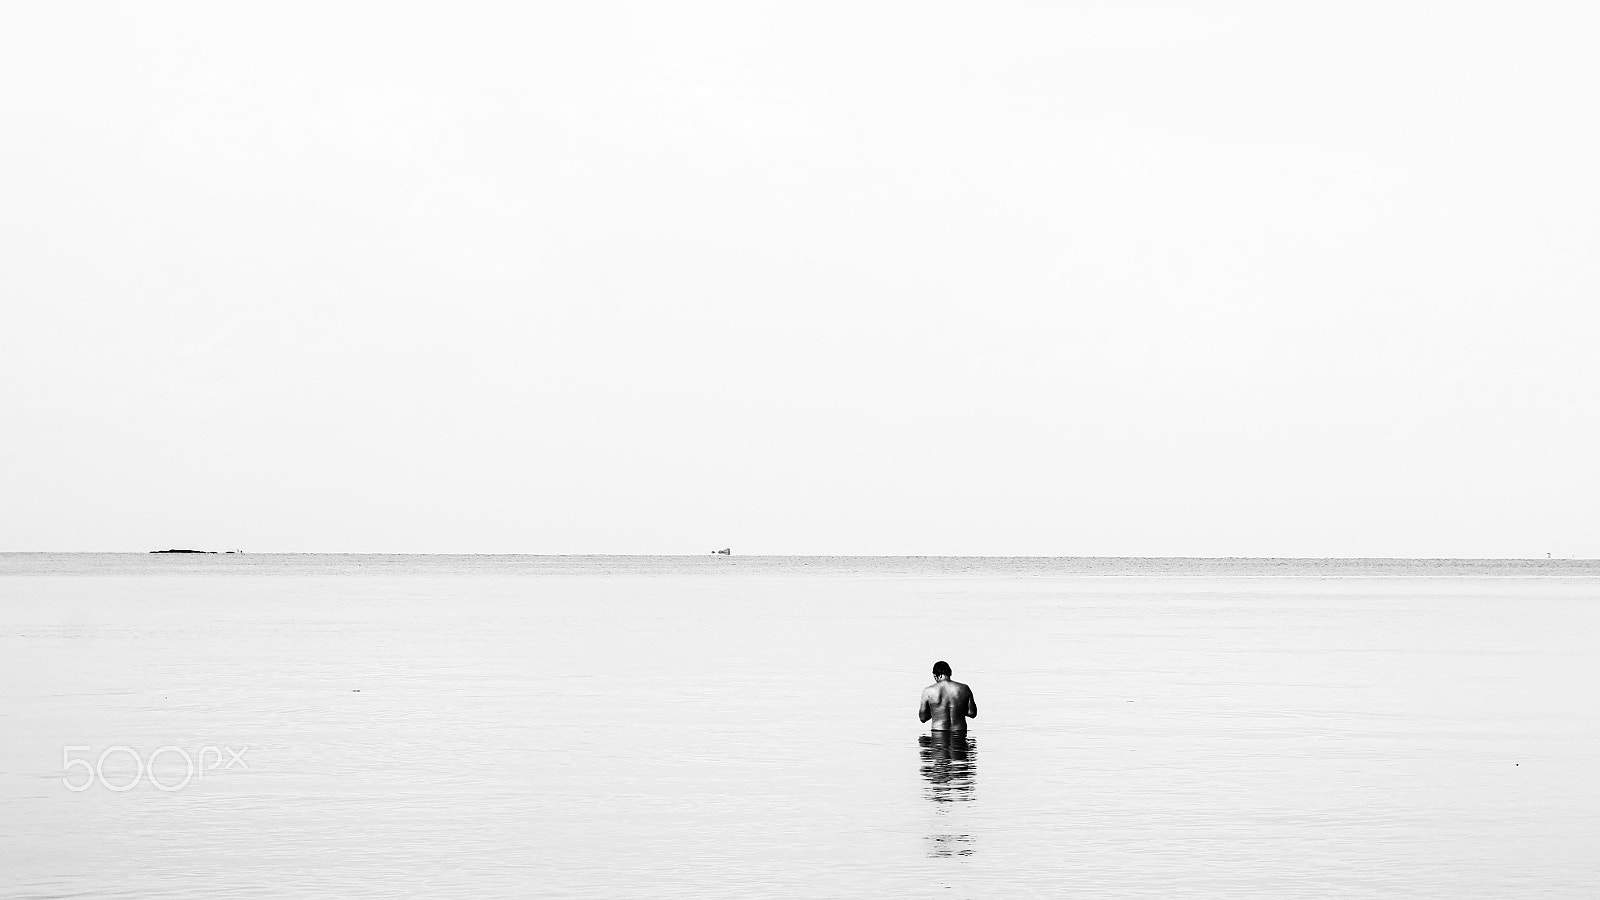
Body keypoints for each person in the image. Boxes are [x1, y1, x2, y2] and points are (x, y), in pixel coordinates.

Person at [918, 661, 977, 732]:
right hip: (959, 733)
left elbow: (923, 718)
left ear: (938, 676)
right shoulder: (964, 688)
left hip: (938, 734)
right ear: (950, 673)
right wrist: (958, 709)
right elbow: (972, 713)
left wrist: (936, 710)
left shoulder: (928, 691)